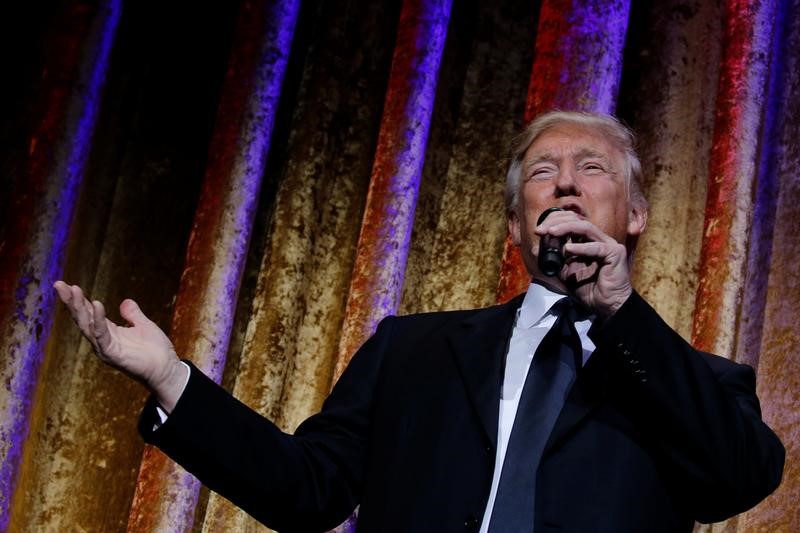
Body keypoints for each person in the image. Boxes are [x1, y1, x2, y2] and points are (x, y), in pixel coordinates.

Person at [54, 111, 784, 532]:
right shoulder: (413, 350)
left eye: (593, 167)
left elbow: (738, 477)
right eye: (542, 170)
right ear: (513, 224)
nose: (564, 180)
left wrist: (620, 310)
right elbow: (306, 489)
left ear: (635, 216)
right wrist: (169, 377)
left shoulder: (702, 381)